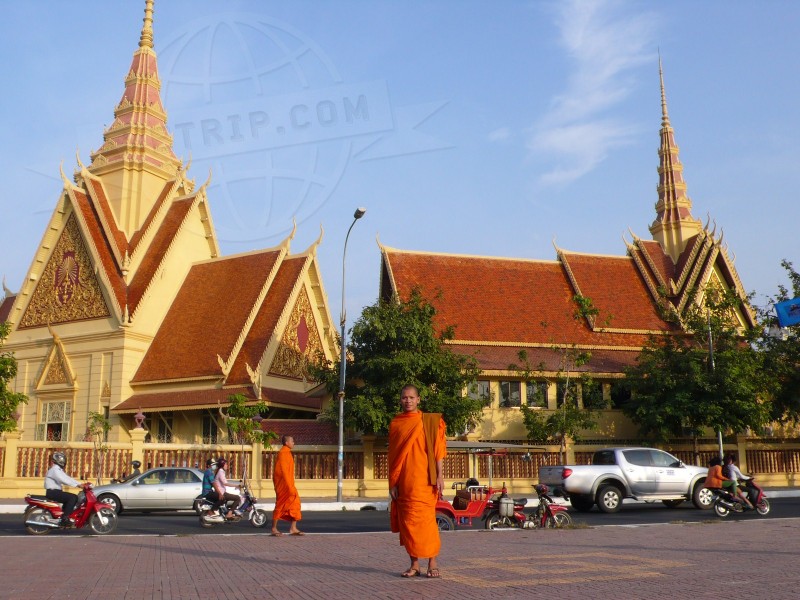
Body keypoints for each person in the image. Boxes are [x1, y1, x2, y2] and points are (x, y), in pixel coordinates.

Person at [388, 384, 446, 579]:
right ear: (400, 400)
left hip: (425, 481)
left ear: (418, 399)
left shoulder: (429, 421)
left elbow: (438, 452)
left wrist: (440, 475)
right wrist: (393, 483)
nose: (408, 401)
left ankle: (432, 562)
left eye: (411, 397)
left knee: (427, 522)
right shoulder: (396, 423)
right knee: (408, 524)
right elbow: (393, 457)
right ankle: (414, 564)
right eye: (404, 397)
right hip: (404, 482)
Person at [271, 435, 303, 536]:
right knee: (280, 505)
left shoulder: (288, 453)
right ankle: (274, 528)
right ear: (286, 443)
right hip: (284, 485)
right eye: (292, 441)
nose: (294, 443)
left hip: (289, 484)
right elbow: (282, 471)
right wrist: (288, 486)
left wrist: (291, 485)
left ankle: (293, 528)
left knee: (295, 503)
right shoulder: (282, 453)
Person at [44, 451, 85, 528]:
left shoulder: (58, 470)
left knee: (69, 498)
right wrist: (78, 485)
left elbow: (67, 478)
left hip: (55, 492)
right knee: (73, 497)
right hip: (53, 492)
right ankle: (65, 518)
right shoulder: (55, 470)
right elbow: (64, 480)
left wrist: (79, 484)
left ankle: (64, 516)